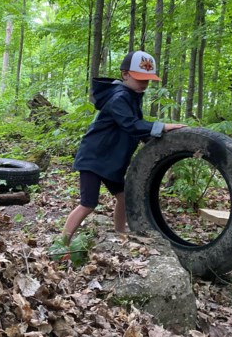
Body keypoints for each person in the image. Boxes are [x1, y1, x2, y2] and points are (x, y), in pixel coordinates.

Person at [63, 50, 185, 247]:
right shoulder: (118, 97)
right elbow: (130, 124)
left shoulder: (132, 96)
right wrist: (161, 126)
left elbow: (136, 129)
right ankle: (62, 243)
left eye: (147, 79)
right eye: (140, 78)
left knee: (124, 197)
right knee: (88, 204)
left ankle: (120, 234)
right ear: (125, 74)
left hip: (111, 161)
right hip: (94, 159)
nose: (144, 83)